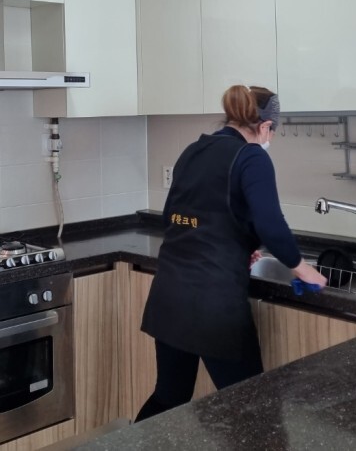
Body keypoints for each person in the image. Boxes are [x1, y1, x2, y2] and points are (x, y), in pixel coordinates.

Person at [135, 84, 327, 422]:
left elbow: (175, 218)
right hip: (214, 303)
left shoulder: (194, 150)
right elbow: (271, 224)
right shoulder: (253, 157)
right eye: (273, 132)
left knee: (169, 397)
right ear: (265, 126)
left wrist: (238, 245)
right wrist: (302, 268)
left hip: (169, 294)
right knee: (254, 408)